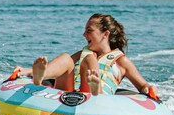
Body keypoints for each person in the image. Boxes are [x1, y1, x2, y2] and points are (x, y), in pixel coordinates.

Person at [15, 13, 159, 99]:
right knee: (66, 58)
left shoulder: (121, 61)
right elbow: (62, 68)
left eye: (89, 31)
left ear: (105, 34)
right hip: (67, 95)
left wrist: (149, 89)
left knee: (88, 59)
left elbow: (143, 85)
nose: (84, 35)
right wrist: (25, 71)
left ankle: (95, 87)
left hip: (96, 99)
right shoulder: (82, 53)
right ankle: (39, 77)